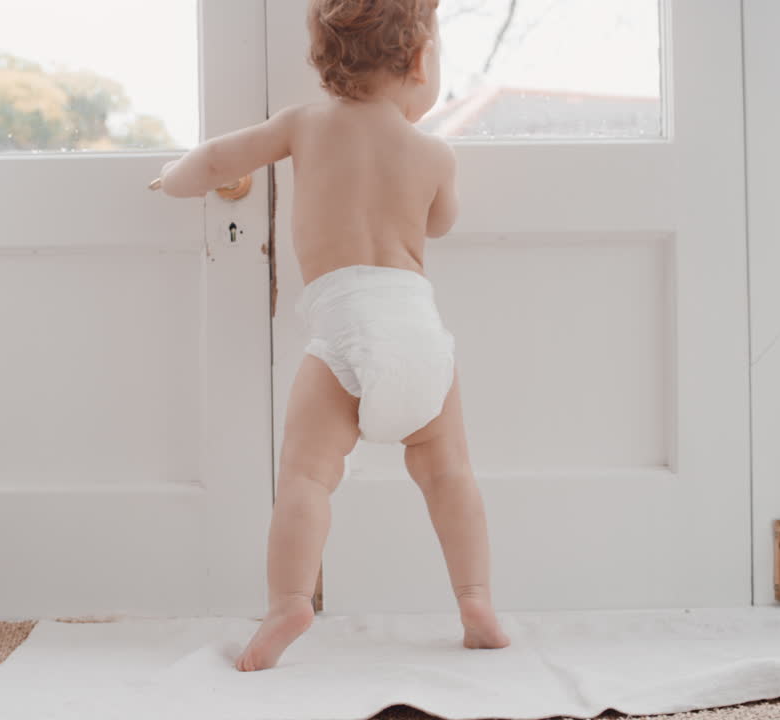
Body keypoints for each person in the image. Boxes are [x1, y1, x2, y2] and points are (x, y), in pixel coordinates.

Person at [153, 0, 510, 672]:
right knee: (450, 474)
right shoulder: (433, 152)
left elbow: (211, 162)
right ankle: (476, 601)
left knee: (306, 479)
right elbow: (440, 225)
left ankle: (290, 600)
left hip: (348, 329)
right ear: (418, 60)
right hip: (419, 334)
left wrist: (172, 182)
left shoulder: (304, 125)